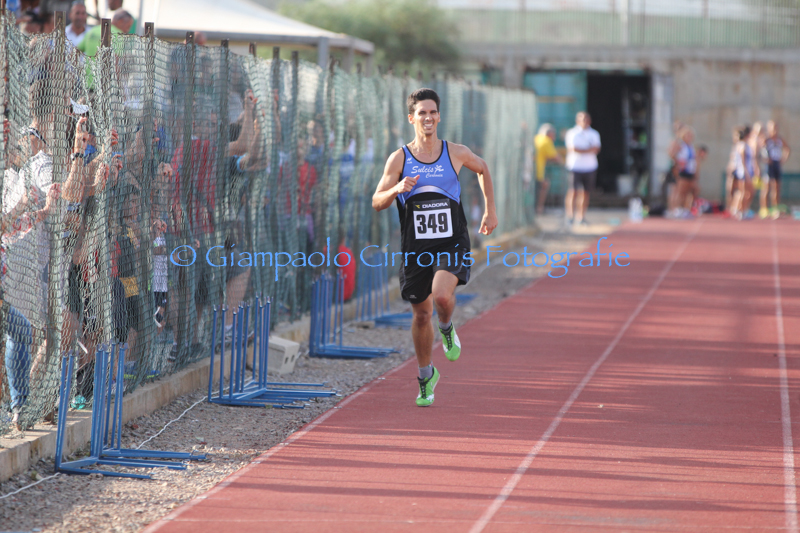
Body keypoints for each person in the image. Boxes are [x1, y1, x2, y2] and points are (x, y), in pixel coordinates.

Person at [372, 88, 497, 407]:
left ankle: (446, 326)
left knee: (441, 296)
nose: (428, 118)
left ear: (439, 116)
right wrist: (396, 188)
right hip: (415, 248)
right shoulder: (399, 158)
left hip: (451, 242)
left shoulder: (454, 152)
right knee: (420, 315)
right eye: (422, 113)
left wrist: (490, 210)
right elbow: (376, 201)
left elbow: (482, 168)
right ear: (411, 118)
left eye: (432, 112)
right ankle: (426, 375)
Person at [564, 111, 601, 226]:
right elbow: (573, 149)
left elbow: (596, 149)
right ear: (577, 121)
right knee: (573, 191)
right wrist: (588, 150)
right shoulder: (572, 133)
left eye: (586, 119)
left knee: (585, 193)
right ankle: (570, 217)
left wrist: (583, 150)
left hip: (589, 167)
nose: (584, 121)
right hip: (575, 166)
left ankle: (581, 217)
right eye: (582, 119)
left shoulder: (594, 134)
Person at [533, 123, 563, 215]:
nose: (554, 138)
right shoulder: (546, 141)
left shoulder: (536, 138)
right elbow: (556, 158)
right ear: (549, 134)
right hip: (538, 172)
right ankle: (539, 209)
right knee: (544, 186)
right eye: (553, 135)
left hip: (531, 171)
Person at [763, 120, 790, 219]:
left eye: (776, 128)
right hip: (769, 165)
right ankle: (764, 209)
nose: (774, 130)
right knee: (766, 188)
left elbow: (787, 149)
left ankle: (775, 209)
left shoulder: (779, 139)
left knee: (776, 187)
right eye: (772, 128)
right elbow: (759, 149)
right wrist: (765, 159)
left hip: (776, 164)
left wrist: (783, 159)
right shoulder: (766, 139)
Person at [730, 126, 755, 220]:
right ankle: (741, 211)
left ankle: (740, 209)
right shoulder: (743, 146)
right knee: (745, 192)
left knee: (746, 192)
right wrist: (747, 173)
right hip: (743, 172)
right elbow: (743, 161)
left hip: (745, 172)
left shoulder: (744, 145)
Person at [672, 126, 697, 217]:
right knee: (681, 191)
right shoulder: (681, 145)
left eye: (690, 135)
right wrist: (678, 163)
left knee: (688, 192)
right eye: (687, 135)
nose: (689, 137)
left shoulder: (691, 146)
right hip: (683, 171)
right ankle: (677, 209)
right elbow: (672, 154)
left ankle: (685, 209)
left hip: (690, 171)